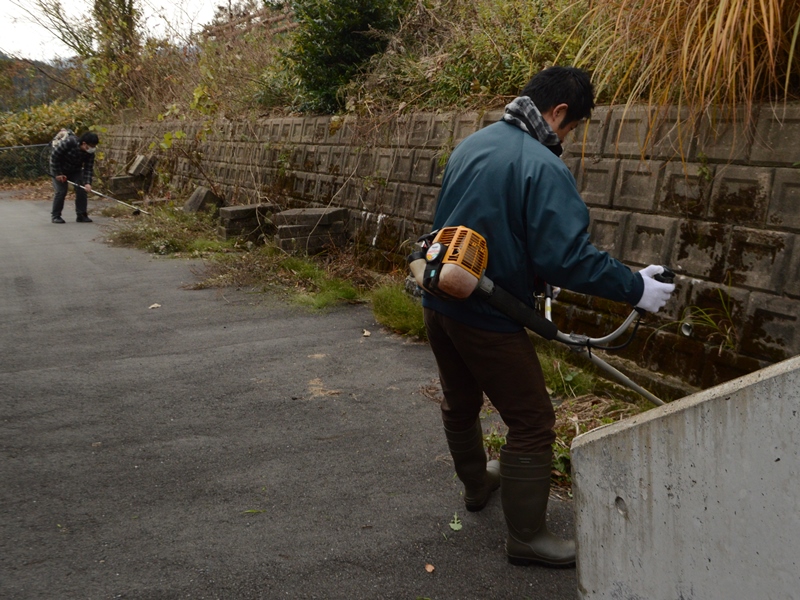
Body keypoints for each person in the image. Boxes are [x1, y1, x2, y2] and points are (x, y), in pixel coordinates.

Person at [421, 66, 675, 568]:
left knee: (460, 398)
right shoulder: (542, 164)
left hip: (438, 299)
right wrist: (637, 288)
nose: (569, 137)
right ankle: (527, 537)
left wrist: (532, 269)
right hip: (487, 315)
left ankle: (477, 486)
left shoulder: (471, 145)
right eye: (573, 126)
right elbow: (571, 258)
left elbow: (478, 223)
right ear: (558, 113)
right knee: (534, 422)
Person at [49, 131, 99, 223]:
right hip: (59, 168)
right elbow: (54, 157)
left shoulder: (90, 153)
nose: (93, 148)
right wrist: (58, 173)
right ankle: (56, 216)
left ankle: (81, 215)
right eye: (91, 146)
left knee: (81, 189)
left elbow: (88, 168)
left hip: (75, 170)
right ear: (84, 143)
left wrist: (87, 183)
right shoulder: (69, 143)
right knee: (61, 191)